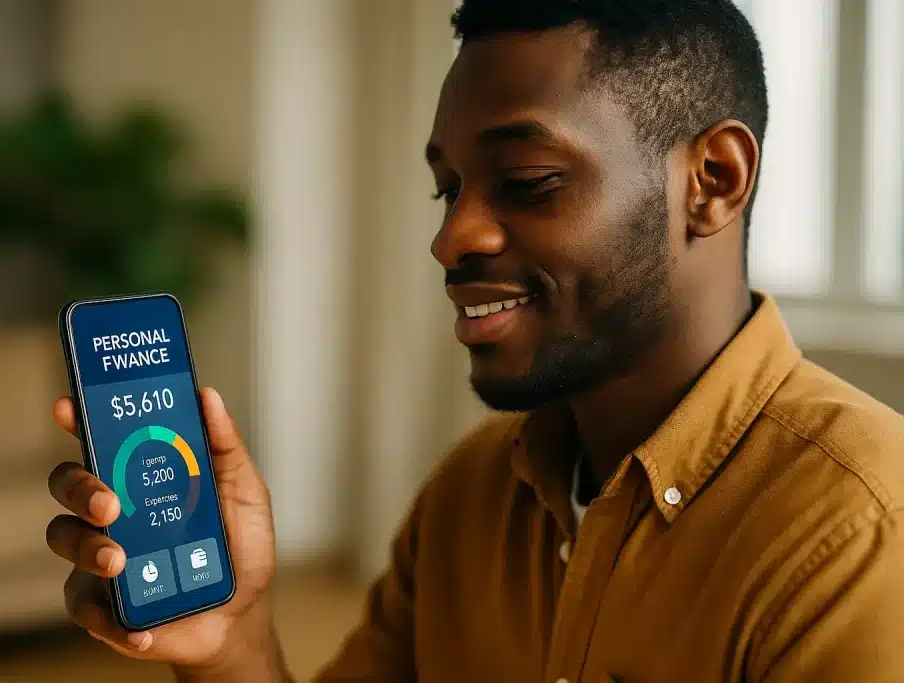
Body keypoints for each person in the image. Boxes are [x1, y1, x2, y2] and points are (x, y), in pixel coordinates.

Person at [44, 1, 904, 681]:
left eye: (528, 182)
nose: (452, 239)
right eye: (446, 190)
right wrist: (231, 648)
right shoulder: (469, 495)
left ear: (712, 181)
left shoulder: (862, 536)